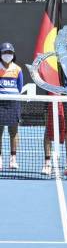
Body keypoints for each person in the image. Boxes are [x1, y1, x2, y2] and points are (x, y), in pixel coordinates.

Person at [0, 42, 24, 170]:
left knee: (13, 132)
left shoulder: (17, 69)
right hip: (0, 103)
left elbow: (19, 87)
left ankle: (13, 159)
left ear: (13, 54)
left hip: (13, 103)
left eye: (9, 53)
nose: (7, 55)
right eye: (4, 52)